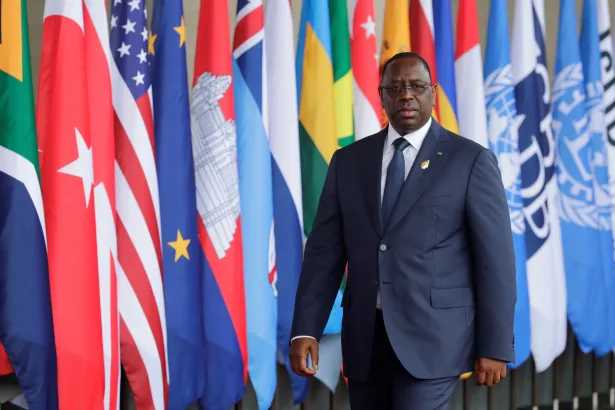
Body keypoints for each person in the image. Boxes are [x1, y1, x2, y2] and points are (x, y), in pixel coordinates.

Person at [288, 52, 517, 410]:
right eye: (395, 88)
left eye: (416, 86)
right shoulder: (348, 161)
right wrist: (306, 328)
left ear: (432, 93)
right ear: (381, 96)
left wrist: (495, 344)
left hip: (433, 341)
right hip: (365, 341)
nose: (406, 95)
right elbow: (324, 254)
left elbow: (496, 261)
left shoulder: (470, 161)